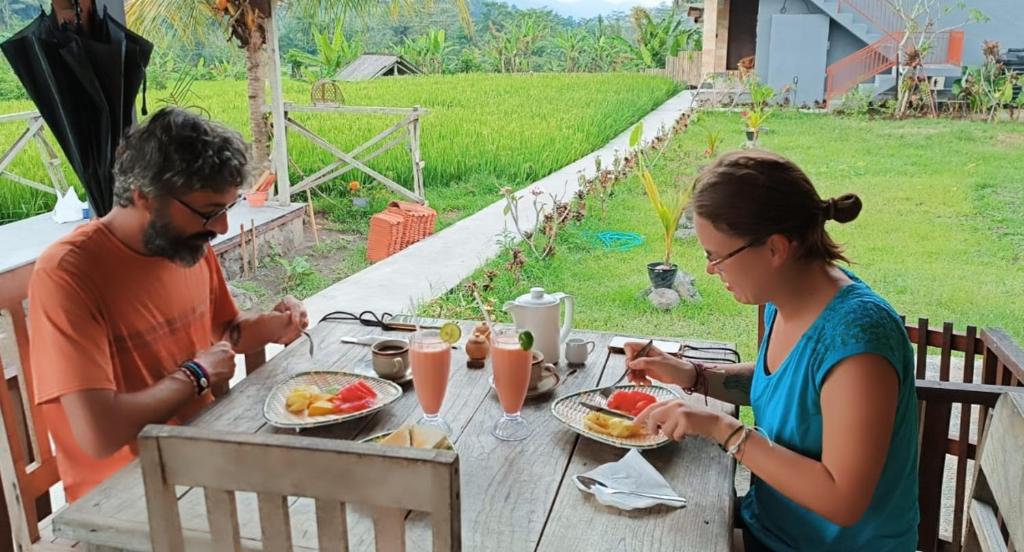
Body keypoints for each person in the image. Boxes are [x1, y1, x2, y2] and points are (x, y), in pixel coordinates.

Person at [626, 150, 919, 551]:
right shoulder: (786, 297)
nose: (711, 270)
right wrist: (691, 374)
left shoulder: (860, 342)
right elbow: (789, 388)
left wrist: (722, 429)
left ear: (776, 249)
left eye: (717, 256)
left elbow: (843, 500)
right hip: (769, 528)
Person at [29, 107, 309, 501]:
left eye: (227, 209)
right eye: (210, 212)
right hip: (127, 493)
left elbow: (225, 333)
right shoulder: (70, 272)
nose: (222, 228)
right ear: (146, 196)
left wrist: (273, 325)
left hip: (203, 456)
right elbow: (99, 435)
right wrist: (194, 375)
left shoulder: (185, 246)